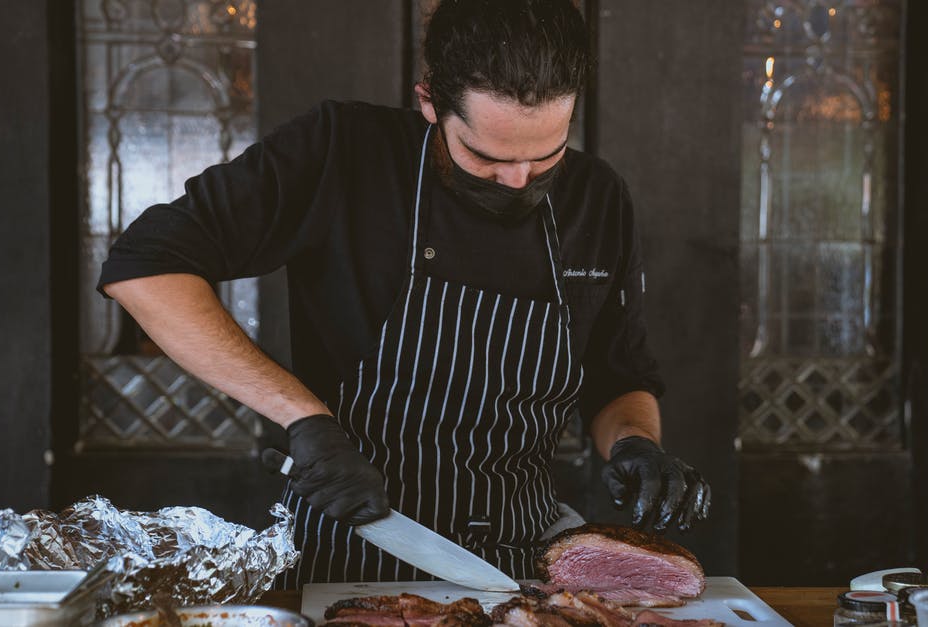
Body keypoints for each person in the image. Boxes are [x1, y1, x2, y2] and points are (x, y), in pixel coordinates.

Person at [98, 0, 710, 585]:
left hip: (525, 561)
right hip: (352, 548)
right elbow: (144, 269)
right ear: (428, 101)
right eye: (486, 156)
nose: (520, 181)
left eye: (546, 157)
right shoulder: (342, 152)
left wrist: (635, 443)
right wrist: (302, 419)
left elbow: (616, 374)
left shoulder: (599, 199)